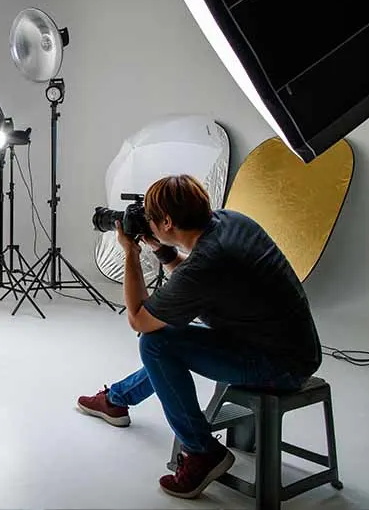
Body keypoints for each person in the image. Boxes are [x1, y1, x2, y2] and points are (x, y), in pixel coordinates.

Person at [76, 175, 321, 499]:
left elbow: (139, 320)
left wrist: (130, 252)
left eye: (151, 216)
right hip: (284, 345)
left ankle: (202, 452)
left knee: (156, 344)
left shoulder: (207, 263)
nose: (147, 221)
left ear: (167, 222)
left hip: (279, 366)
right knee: (170, 339)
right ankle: (117, 400)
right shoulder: (230, 221)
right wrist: (162, 251)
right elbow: (197, 283)